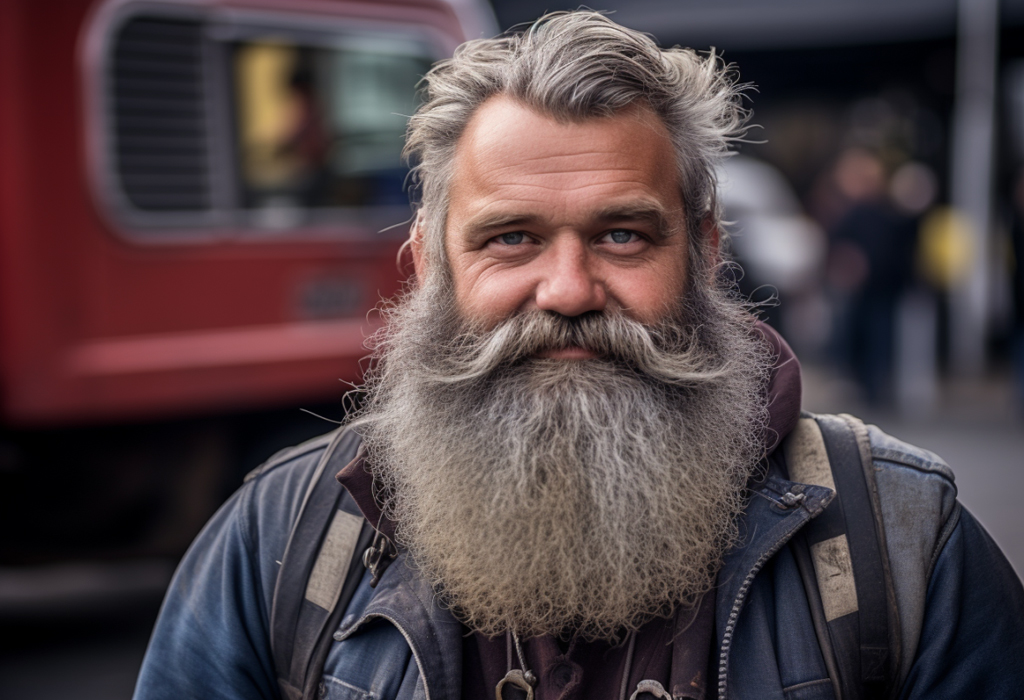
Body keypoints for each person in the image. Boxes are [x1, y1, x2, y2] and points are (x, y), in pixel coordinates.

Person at [133, 12, 1024, 700]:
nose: (567, 290)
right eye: (511, 238)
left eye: (624, 235)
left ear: (705, 254)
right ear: (428, 266)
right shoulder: (277, 542)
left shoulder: (905, 543)